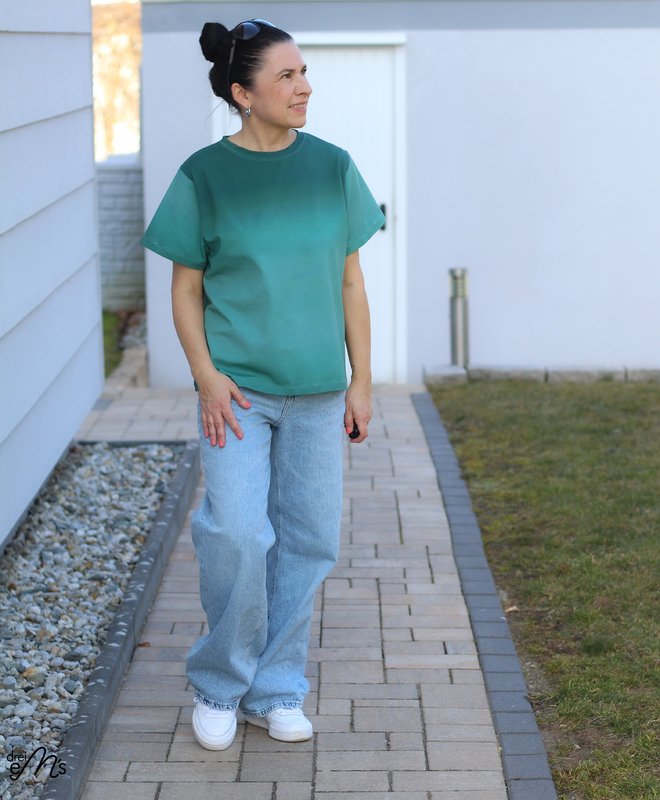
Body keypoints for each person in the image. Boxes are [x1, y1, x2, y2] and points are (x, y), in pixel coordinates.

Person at [141, 18, 384, 751]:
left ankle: (276, 688)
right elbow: (186, 291)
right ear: (243, 94)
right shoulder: (204, 175)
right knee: (238, 534)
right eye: (286, 76)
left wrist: (362, 381)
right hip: (238, 393)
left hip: (317, 393)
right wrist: (206, 378)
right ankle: (219, 684)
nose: (304, 86)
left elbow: (351, 282)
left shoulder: (332, 167)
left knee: (309, 541)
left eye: (303, 71)